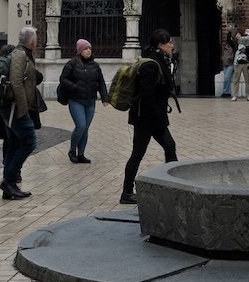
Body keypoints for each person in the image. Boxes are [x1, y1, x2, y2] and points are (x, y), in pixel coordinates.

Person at [120, 28, 178, 205]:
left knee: (169, 146)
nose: (172, 45)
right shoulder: (151, 63)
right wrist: (156, 117)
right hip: (146, 118)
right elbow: (147, 93)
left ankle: (173, 186)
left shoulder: (159, 60)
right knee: (138, 153)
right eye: (169, 42)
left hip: (152, 117)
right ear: (161, 45)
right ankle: (127, 193)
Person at [0, 27, 39, 200]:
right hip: (16, 109)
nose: (37, 41)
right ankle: (8, 181)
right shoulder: (20, 55)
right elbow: (16, 83)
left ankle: (9, 185)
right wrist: (23, 110)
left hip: (17, 108)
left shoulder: (25, 54)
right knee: (29, 142)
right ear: (31, 41)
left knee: (14, 145)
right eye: (36, 38)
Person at [59, 38, 108, 164]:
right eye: (85, 48)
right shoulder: (72, 64)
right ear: (80, 50)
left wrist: (104, 97)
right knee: (80, 126)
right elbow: (63, 79)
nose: (88, 51)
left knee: (85, 128)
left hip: (90, 101)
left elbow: (101, 82)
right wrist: (75, 87)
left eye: (90, 48)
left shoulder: (95, 65)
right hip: (76, 100)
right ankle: (72, 150)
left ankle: (81, 154)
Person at [230, 31, 249, 101]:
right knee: (236, 80)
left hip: (245, 63)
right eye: (237, 35)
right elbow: (228, 40)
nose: (238, 36)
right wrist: (230, 31)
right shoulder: (235, 43)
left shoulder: (246, 43)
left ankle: (248, 95)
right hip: (237, 64)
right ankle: (235, 95)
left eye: (239, 34)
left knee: (247, 80)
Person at [220, 30, 235, 98]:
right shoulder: (226, 46)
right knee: (226, 78)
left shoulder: (233, 46)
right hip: (225, 64)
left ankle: (226, 91)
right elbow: (223, 54)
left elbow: (233, 55)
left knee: (226, 78)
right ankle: (227, 92)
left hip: (230, 64)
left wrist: (230, 57)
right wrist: (223, 58)